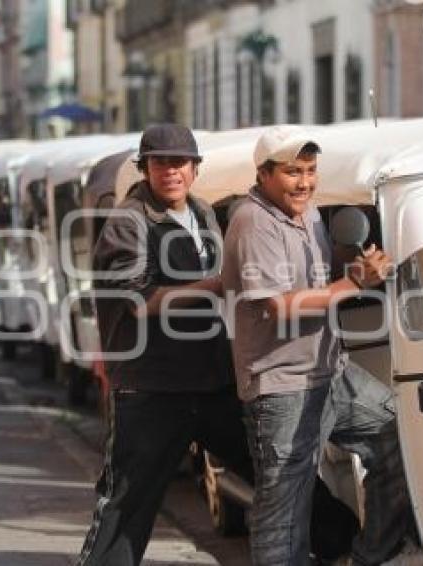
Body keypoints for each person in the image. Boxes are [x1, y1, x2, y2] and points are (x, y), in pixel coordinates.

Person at [222, 125, 422, 565]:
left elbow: (318, 278)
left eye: (311, 171)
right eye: (293, 172)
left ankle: (372, 556)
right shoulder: (253, 219)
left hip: (331, 371)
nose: (306, 183)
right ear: (265, 173)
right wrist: (353, 281)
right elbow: (277, 306)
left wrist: (360, 265)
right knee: (284, 513)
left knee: (401, 438)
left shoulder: (308, 212)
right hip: (283, 386)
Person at [76, 124, 251, 566]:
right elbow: (137, 301)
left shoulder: (204, 212)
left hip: (211, 380)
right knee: (127, 504)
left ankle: (348, 545)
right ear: (145, 168)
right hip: (150, 388)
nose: (170, 171)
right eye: (160, 162)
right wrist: (215, 285)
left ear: (194, 169)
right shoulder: (128, 221)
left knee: (278, 466)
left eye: (179, 162)